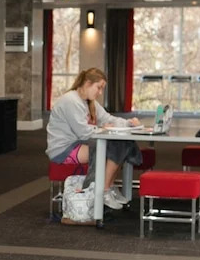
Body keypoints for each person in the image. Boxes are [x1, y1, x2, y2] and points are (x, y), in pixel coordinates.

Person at [45, 67, 142, 210]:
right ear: (87, 83)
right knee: (114, 146)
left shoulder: (89, 102)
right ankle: (104, 190)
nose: (100, 92)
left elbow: (107, 118)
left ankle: (108, 187)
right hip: (63, 149)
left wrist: (129, 123)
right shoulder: (71, 101)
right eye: (99, 87)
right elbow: (83, 132)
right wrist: (103, 128)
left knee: (123, 143)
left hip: (78, 143)